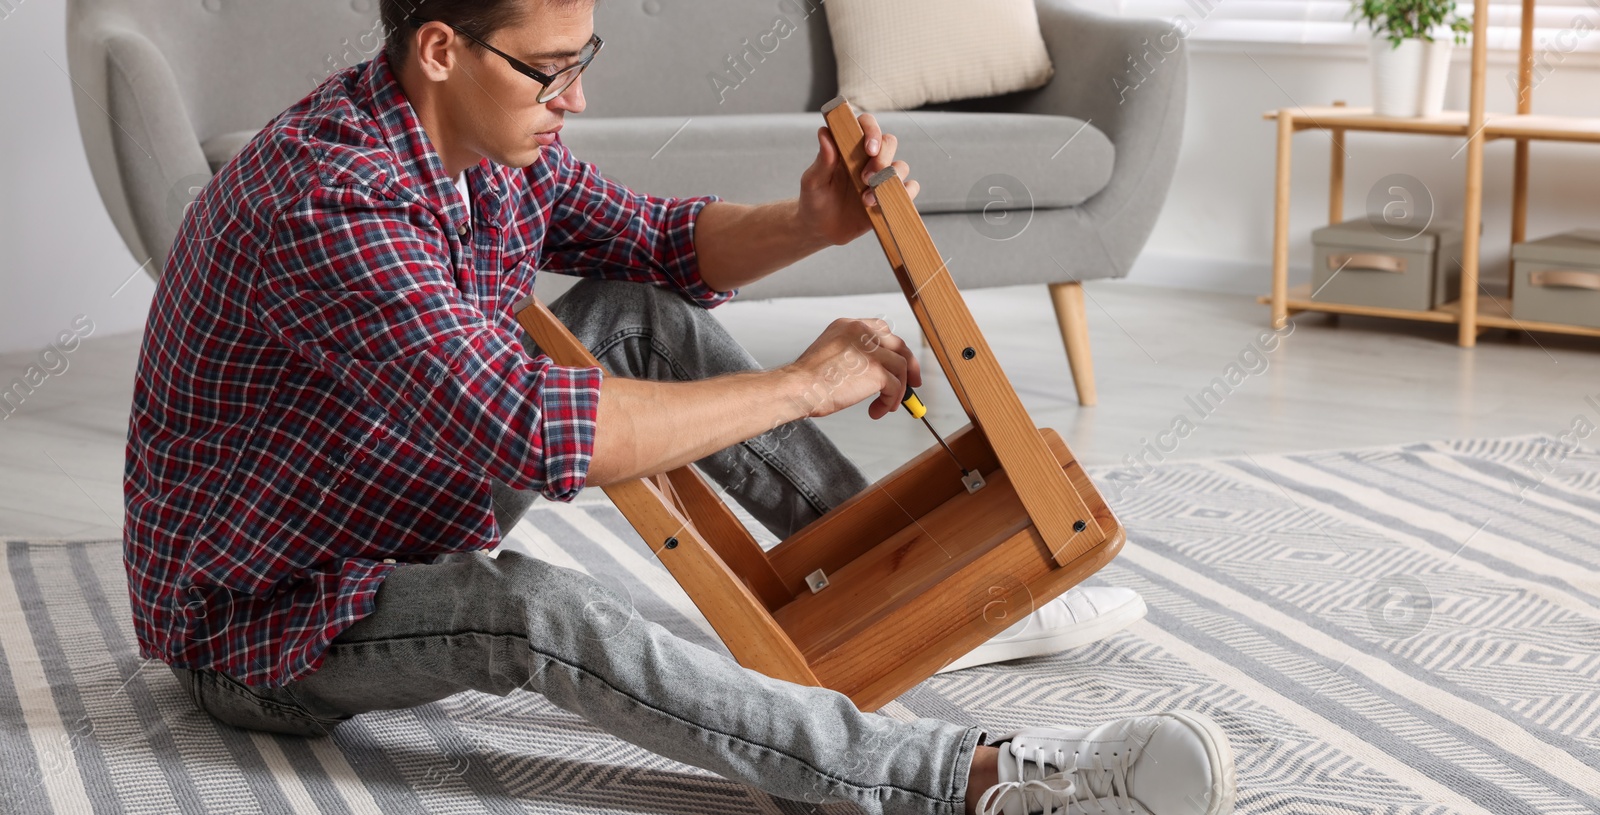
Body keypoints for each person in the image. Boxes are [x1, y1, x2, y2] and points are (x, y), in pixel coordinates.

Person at [122, 1, 1236, 812]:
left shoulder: (482, 139)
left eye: (583, 59)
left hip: (378, 497)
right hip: (268, 614)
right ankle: (965, 782)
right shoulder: (332, 200)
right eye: (551, 70)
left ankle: (923, 581)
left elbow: (657, 243)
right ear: (440, 49)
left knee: (631, 308)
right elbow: (531, 428)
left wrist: (808, 220)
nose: (577, 96)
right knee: (527, 607)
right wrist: (806, 384)